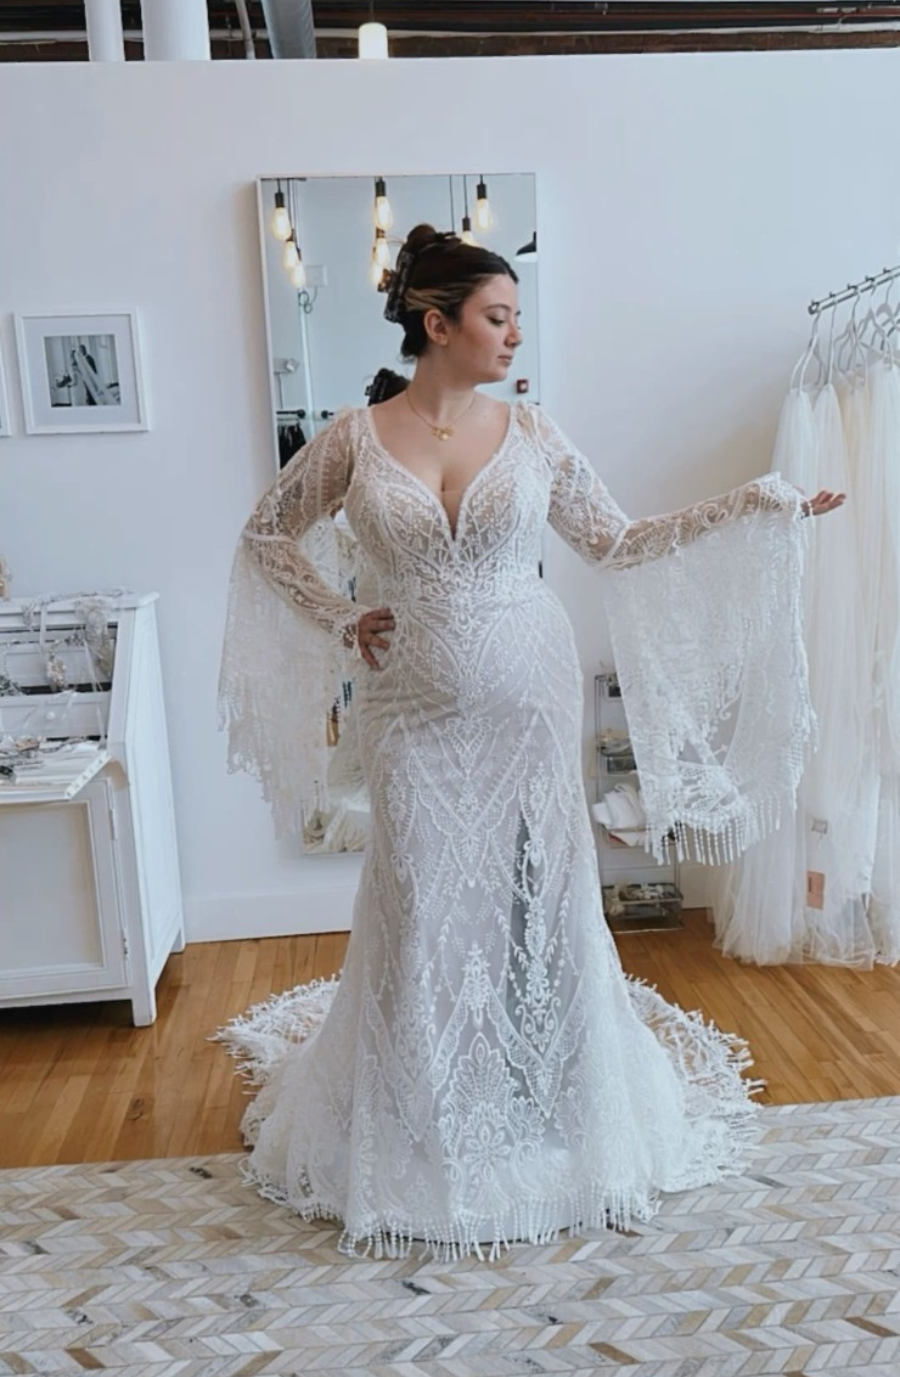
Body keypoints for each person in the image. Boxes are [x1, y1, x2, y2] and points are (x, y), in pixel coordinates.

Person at [217, 223, 844, 1262]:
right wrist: (340, 616)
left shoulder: (537, 434)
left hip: (530, 699)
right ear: (437, 324)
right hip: (410, 709)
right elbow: (265, 535)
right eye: (497, 317)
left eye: (515, 318)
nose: (514, 336)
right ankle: (415, 1115)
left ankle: (550, 1097)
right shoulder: (354, 438)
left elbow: (620, 542)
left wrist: (755, 506)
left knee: (537, 894)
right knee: (417, 895)